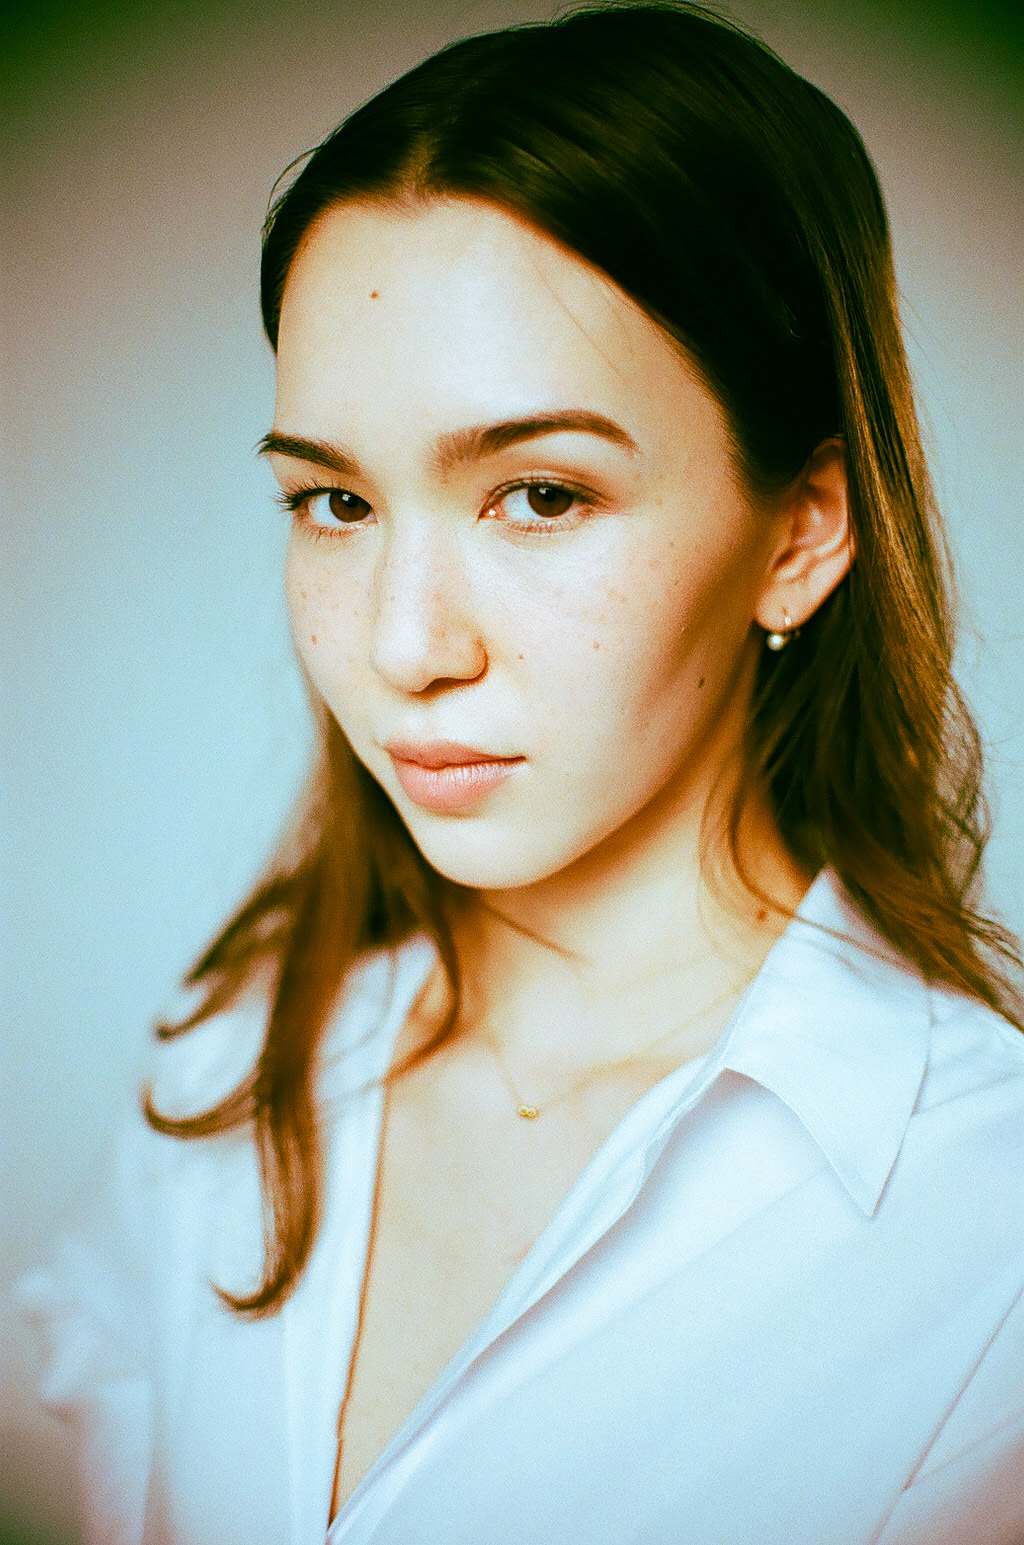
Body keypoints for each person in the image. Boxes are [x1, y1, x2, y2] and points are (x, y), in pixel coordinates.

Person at [16, 2, 1024, 1541]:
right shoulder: (231, 1066)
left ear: (803, 532)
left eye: (540, 494)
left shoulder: (984, 1217)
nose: (402, 644)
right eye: (337, 502)